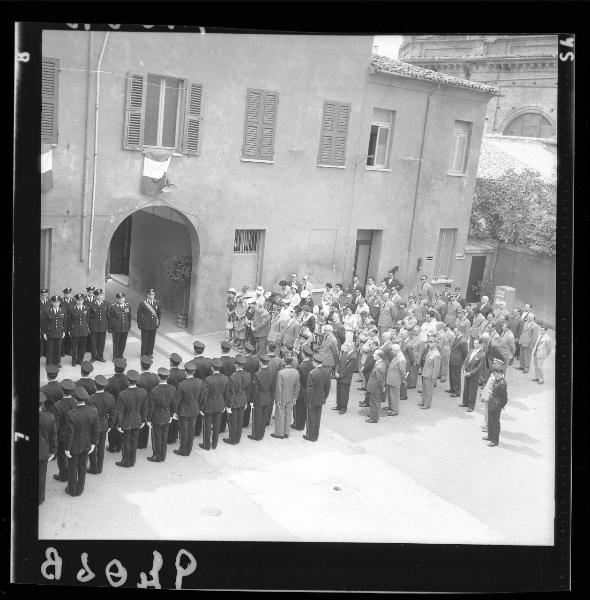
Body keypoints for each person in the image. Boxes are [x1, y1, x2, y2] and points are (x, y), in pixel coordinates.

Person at [64, 387, 99, 497]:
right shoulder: (93, 411)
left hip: (74, 445)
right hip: (87, 443)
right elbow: (96, 429)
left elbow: (70, 434)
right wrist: (93, 443)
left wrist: (67, 448)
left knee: (72, 467)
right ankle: (80, 489)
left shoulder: (71, 414)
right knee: (83, 466)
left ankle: (72, 489)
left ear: (75, 399)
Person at [115, 369, 148, 467]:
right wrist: (143, 420)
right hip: (137, 420)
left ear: (127, 380)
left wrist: (119, 425)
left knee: (126, 442)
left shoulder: (122, 394)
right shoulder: (143, 392)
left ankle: (126, 461)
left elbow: (120, 412)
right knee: (134, 441)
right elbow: (145, 407)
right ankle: (132, 460)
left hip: (126, 422)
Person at [87, 374, 116, 475]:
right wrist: (110, 425)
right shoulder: (110, 397)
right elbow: (113, 413)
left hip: (93, 426)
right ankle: (100, 467)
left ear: (95, 386)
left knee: (93, 446)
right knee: (101, 446)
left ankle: (93, 467)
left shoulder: (90, 399)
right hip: (104, 424)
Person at [146, 368, 176, 463]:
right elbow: (173, 404)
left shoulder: (154, 391)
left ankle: (156, 456)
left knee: (156, 437)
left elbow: (151, 407)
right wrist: (171, 415)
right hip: (167, 415)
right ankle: (163, 455)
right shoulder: (172, 389)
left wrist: (148, 419)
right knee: (164, 436)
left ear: (159, 377)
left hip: (157, 416)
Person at [173, 360, 202, 455]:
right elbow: (201, 397)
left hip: (184, 411)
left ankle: (183, 450)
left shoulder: (182, 384)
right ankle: (188, 449)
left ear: (186, 372)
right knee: (191, 430)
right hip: (194, 409)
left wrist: (175, 411)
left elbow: (177, 400)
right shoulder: (199, 382)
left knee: (184, 431)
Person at [200, 358, 229, 450]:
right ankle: (214, 444)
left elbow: (204, 395)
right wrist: (225, 404)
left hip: (209, 405)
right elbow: (226, 393)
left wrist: (201, 407)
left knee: (207, 426)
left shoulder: (208, 379)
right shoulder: (225, 378)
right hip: (220, 404)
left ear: (212, 368)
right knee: (217, 425)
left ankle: (206, 445)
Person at [52, 379, 77, 483]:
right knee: (72, 455)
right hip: (74, 433)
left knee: (61, 456)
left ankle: (63, 475)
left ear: (62, 391)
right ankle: (71, 475)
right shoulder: (76, 402)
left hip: (62, 435)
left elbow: (56, 425)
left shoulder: (58, 405)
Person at [271, 355, 300, 439]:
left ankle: (279, 433)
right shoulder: (296, 372)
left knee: (280, 415)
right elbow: (297, 385)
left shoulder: (281, 373)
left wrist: (278, 399)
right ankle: (287, 432)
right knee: (288, 414)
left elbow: (279, 387)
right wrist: (295, 397)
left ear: (284, 362)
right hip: (291, 397)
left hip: (282, 397)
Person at [224, 355, 251, 445]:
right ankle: (237, 438)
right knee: (240, 421)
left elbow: (232, 393)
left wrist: (229, 405)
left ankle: (232, 439)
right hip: (243, 400)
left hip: (234, 401)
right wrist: (246, 401)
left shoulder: (233, 377)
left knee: (233, 421)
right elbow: (248, 390)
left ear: (236, 365)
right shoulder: (248, 375)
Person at [303, 355, 331, 441]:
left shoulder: (312, 374)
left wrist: (308, 401)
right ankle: (316, 435)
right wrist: (324, 397)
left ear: (315, 362)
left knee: (311, 418)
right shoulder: (326, 372)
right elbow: (327, 387)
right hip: (321, 399)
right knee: (318, 418)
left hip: (312, 400)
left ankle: (310, 436)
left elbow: (309, 390)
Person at [248, 354, 275, 441]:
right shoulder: (272, 372)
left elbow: (255, 389)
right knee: (263, 418)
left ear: (260, 362)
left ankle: (256, 436)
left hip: (258, 399)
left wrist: (252, 400)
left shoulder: (257, 374)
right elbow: (273, 388)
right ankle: (261, 434)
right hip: (268, 398)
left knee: (257, 418)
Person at [482, 360, 508, 447]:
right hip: (491, 403)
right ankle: (490, 436)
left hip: (496, 406)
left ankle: (495, 440)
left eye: (495, 372)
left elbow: (504, 398)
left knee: (495, 423)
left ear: (499, 373)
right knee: (490, 421)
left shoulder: (502, 383)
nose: (494, 374)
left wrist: (500, 406)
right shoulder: (497, 380)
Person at [106, 357, 129, 453]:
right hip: (124, 406)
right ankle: (119, 446)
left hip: (113, 406)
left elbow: (107, 396)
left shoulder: (110, 381)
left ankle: (112, 447)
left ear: (115, 368)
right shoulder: (127, 379)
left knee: (112, 426)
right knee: (121, 425)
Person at [39, 390, 57, 505]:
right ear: (42, 404)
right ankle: (40, 498)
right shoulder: (49, 417)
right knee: (41, 475)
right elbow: (53, 436)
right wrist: (53, 451)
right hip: (43, 450)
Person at [137, 355, 159, 449]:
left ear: (141, 366)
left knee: (142, 422)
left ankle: (140, 444)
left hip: (142, 404)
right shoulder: (155, 377)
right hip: (152, 403)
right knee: (148, 422)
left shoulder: (139, 379)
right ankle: (145, 443)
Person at [459, 337, 485, 412]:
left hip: (474, 375)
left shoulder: (482, 354)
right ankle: (465, 402)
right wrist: (463, 369)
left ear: (480, 344)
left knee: (472, 390)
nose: (474, 345)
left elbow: (479, 367)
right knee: (466, 388)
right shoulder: (471, 351)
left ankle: (471, 406)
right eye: (474, 343)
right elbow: (466, 360)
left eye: (476, 343)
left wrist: (470, 373)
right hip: (467, 373)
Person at [193, 341, 212, 436]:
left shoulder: (192, 363)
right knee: (203, 407)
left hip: (196, 388)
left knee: (196, 407)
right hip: (206, 386)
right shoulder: (209, 361)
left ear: (194, 351)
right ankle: (199, 429)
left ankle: (196, 430)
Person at [166, 353, 186, 444]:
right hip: (181, 398)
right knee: (177, 417)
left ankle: (170, 438)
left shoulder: (168, 374)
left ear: (171, 362)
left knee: (170, 417)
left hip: (171, 398)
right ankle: (175, 436)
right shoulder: (183, 373)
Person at [42, 295, 66, 368]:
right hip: (50, 332)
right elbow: (44, 323)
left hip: (59, 332)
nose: (56, 304)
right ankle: (49, 363)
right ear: (52, 302)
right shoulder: (47, 310)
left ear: (60, 302)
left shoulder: (63, 310)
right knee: (50, 348)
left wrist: (64, 332)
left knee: (58, 348)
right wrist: (45, 333)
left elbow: (65, 322)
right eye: (54, 302)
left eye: (58, 302)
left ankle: (57, 362)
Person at [137, 288, 161, 358]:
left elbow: (159, 314)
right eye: (150, 294)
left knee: (152, 339)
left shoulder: (157, 303)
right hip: (145, 324)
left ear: (154, 295)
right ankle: (143, 354)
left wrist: (158, 322)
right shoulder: (143, 303)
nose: (151, 296)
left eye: (153, 294)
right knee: (145, 340)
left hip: (153, 324)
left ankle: (150, 353)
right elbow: (139, 314)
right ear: (147, 295)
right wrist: (139, 323)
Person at [108, 291, 131, 360]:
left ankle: (120, 355)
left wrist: (129, 326)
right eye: (119, 299)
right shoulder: (113, 306)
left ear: (124, 298)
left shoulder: (128, 306)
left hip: (125, 327)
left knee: (123, 343)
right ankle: (115, 357)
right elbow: (111, 318)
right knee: (116, 343)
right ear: (117, 299)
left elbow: (129, 317)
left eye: (122, 298)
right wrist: (110, 328)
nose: (121, 300)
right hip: (116, 328)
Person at [334, 343, 356, 414]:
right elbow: (339, 363)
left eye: (348, 346)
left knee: (344, 394)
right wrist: (336, 372)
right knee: (339, 392)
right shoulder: (344, 353)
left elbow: (348, 369)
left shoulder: (353, 356)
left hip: (345, 378)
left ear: (351, 347)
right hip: (339, 376)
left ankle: (343, 408)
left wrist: (340, 375)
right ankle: (338, 405)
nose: (346, 347)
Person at [419, 338, 441, 409]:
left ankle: (427, 404)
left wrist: (434, 377)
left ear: (435, 343)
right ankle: (423, 402)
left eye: (431, 342)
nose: (429, 344)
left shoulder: (436, 354)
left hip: (430, 374)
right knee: (424, 388)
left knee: (429, 390)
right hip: (425, 372)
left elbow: (436, 367)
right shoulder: (430, 351)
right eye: (429, 342)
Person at [69, 293, 90, 367]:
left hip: (83, 331)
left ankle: (80, 360)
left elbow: (88, 319)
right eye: (78, 300)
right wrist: (70, 330)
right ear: (76, 300)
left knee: (82, 347)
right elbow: (69, 320)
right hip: (75, 331)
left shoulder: (87, 308)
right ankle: (74, 361)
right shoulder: (72, 308)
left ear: (83, 300)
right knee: (74, 347)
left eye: (81, 300)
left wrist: (87, 328)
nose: (79, 302)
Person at [385, 343, 406, 417]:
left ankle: (395, 410)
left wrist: (403, 379)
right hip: (391, 378)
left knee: (394, 395)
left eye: (392, 350)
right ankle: (390, 406)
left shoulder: (401, 358)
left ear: (397, 350)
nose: (391, 352)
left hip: (395, 379)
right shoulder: (397, 355)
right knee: (391, 394)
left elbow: (403, 371)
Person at [365, 349, 386, 423]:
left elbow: (380, 380)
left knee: (375, 403)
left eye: (375, 355)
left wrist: (381, 388)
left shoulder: (379, 366)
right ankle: (372, 414)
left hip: (375, 388)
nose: (373, 356)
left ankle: (374, 418)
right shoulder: (379, 363)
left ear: (379, 356)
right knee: (373, 402)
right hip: (373, 387)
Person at [242, 342, 259, 428]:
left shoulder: (242, 360)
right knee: (248, 401)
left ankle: (241, 421)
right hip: (251, 383)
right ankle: (246, 422)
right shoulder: (256, 360)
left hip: (242, 383)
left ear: (245, 351)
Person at [447, 327, 468, 397]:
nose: (454, 333)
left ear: (459, 331)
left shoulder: (463, 340)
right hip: (452, 359)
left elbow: (465, 353)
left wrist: (462, 361)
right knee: (451, 375)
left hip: (457, 361)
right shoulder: (457, 338)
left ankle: (457, 391)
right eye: (454, 331)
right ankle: (452, 388)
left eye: (456, 331)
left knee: (456, 376)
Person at [89, 288, 108, 362]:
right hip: (94, 327)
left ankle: (100, 356)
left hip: (103, 327)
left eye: (101, 295)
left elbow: (107, 316)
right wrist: (90, 326)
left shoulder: (106, 303)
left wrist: (107, 326)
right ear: (95, 296)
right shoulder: (91, 304)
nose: (100, 296)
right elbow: (89, 317)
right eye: (99, 295)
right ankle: (93, 357)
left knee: (101, 343)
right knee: (93, 343)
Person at [60, 287, 74, 358]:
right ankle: (62, 351)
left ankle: (68, 351)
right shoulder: (61, 301)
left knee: (69, 337)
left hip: (71, 321)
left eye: (69, 293)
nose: (68, 295)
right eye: (66, 294)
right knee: (63, 336)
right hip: (63, 321)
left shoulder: (74, 301)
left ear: (70, 294)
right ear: (64, 294)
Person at [40, 288, 50, 356]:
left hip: (47, 323)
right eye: (43, 295)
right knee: (40, 338)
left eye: (45, 295)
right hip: (40, 322)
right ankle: (40, 353)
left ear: (47, 295)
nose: (44, 296)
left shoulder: (50, 302)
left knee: (46, 338)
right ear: (40, 295)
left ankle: (46, 353)